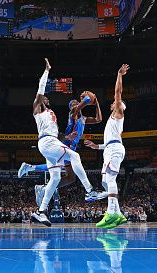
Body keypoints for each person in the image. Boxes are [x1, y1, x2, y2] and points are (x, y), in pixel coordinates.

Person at [30, 58, 105, 227]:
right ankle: (90, 191)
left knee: (56, 178)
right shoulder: (38, 108)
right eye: (44, 99)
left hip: (50, 144)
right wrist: (47, 71)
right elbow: (41, 89)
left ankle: (40, 212)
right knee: (75, 156)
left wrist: (65, 137)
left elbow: (62, 132)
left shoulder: (50, 113)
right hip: (48, 142)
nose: (47, 99)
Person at [18, 90, 102, 207]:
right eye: (72, 104)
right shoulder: (73, 113)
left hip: (71, 145)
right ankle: (89, 190)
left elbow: (99, 119)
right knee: (63, 165)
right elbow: (78, 107)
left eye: (75, 103)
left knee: (70, 177)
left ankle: (39, 180)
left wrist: (96, 102)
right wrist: (88, 99)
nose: (74, 104)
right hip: (66, 144)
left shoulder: (83, 119)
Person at [84, 64, 130, 229]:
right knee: (106, 180)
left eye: (117, 102)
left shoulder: (118, 112)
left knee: (109, 179)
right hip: (111, 148)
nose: (114, 102)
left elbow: (118, 92)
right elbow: (110, 141)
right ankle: (118, 214)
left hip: (115, 150)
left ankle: (110, 213)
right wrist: (96, 146)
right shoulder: (113, 120)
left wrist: (119, 74)